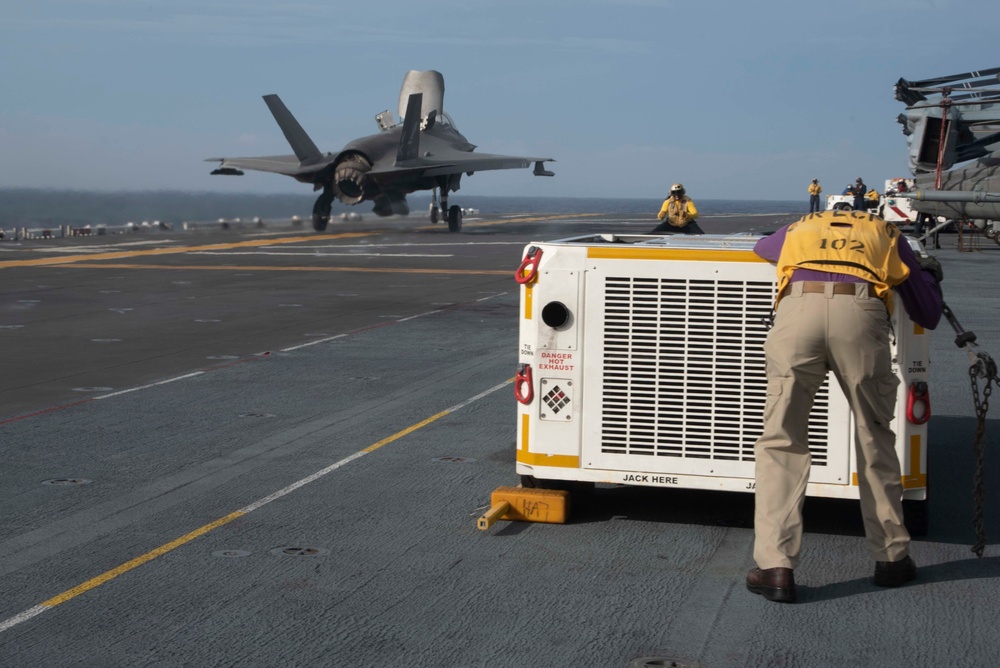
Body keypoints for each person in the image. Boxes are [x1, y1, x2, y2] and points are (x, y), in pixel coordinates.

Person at [746, 209, 943, 604]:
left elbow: (762, 247)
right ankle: (891, 556)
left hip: (797, 314)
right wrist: (926, 274)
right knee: (874, 437)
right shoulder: (885, 231)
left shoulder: (802, 226)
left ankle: (776, 566)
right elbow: (928, 313)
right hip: (860, 313)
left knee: (781, 441)